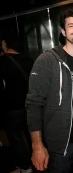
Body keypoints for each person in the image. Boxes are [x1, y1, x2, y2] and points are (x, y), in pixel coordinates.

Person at [26, 8, 73, 173]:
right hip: (60, 148)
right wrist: (37, 146)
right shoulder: (48, 61)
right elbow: (33, 105)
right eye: (71, 26)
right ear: (63, 31)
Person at [0, 33, 34, 173]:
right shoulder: (29, 60)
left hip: (12, 108)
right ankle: (37, 161)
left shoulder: (2, 62)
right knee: (31, 135)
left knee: (16, 138)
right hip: (30, 106)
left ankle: (25, 167)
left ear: (5, 43)